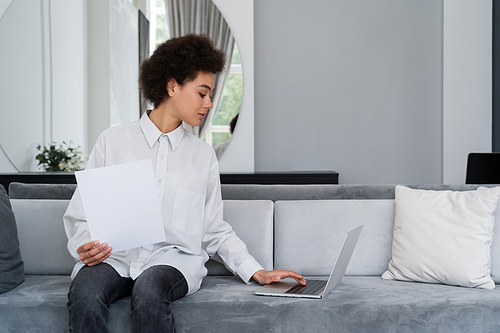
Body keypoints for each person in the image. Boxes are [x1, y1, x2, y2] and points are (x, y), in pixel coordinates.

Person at [63, 34, 306, 333]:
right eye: (202, 93)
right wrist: (83, 246)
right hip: (117, 257)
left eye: (210, 95)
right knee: (84, 293)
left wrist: (255, 271)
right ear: (172, 86)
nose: (209, 103)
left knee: (150, 292)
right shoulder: (112, 141)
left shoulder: (203, 156)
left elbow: (213, 230)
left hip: (172, 261)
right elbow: (82, 215)